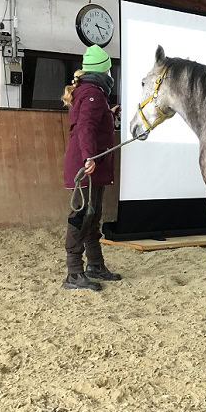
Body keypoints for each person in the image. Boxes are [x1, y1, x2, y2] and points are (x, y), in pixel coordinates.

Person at [61, 45, 122, 291]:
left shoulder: (91, 93)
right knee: (81, 218)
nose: (111, 73)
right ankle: (74, 273)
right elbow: (84, 127)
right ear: (102, 70)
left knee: (92, 217)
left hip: (91, 166)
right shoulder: (93, 94)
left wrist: (110, 113)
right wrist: (89, 157)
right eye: (109, 69)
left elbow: (91, 123)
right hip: (86, 167)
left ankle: (95, 265)